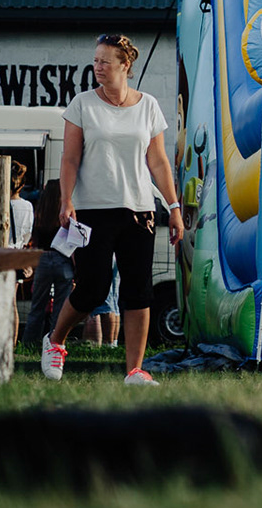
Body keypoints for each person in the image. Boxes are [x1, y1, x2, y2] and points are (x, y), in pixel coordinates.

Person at [41, 35, 185, 386]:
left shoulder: (148, 106)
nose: (98, 67)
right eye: (96, 60)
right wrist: (66, 199)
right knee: (93, 288)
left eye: (105, 61)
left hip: (139, 209)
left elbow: (158, 161)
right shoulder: (82, 104)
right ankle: (55, 341)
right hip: (93, 210)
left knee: (138, 291)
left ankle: (135, 370)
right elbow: (70, 158)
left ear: (125, 65)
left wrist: (174, 207)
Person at [22, 180, 74, 347]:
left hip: (43, 259)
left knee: (37, 306)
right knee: (60, 308)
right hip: (63, 259)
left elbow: (34, 241)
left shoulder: (39, 214)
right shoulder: (66, 216)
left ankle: (29, 343)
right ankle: (54, 343)